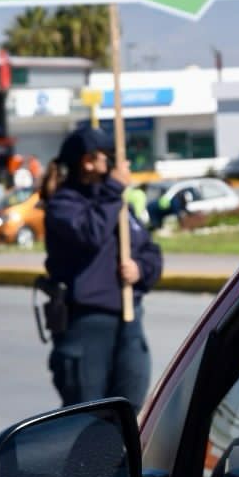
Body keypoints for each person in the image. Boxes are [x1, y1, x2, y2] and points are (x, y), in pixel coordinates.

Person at [41, 126, 164, 411]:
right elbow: (90, 233)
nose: (119, 165)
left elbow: (150, 251)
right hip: (87, 325)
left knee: (128, 407)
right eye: (109, 157)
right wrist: (114, 191)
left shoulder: (117, 205)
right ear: (87, 161)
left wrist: (140, 270)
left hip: (129, 319)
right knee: (89, 415)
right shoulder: (65, 204)